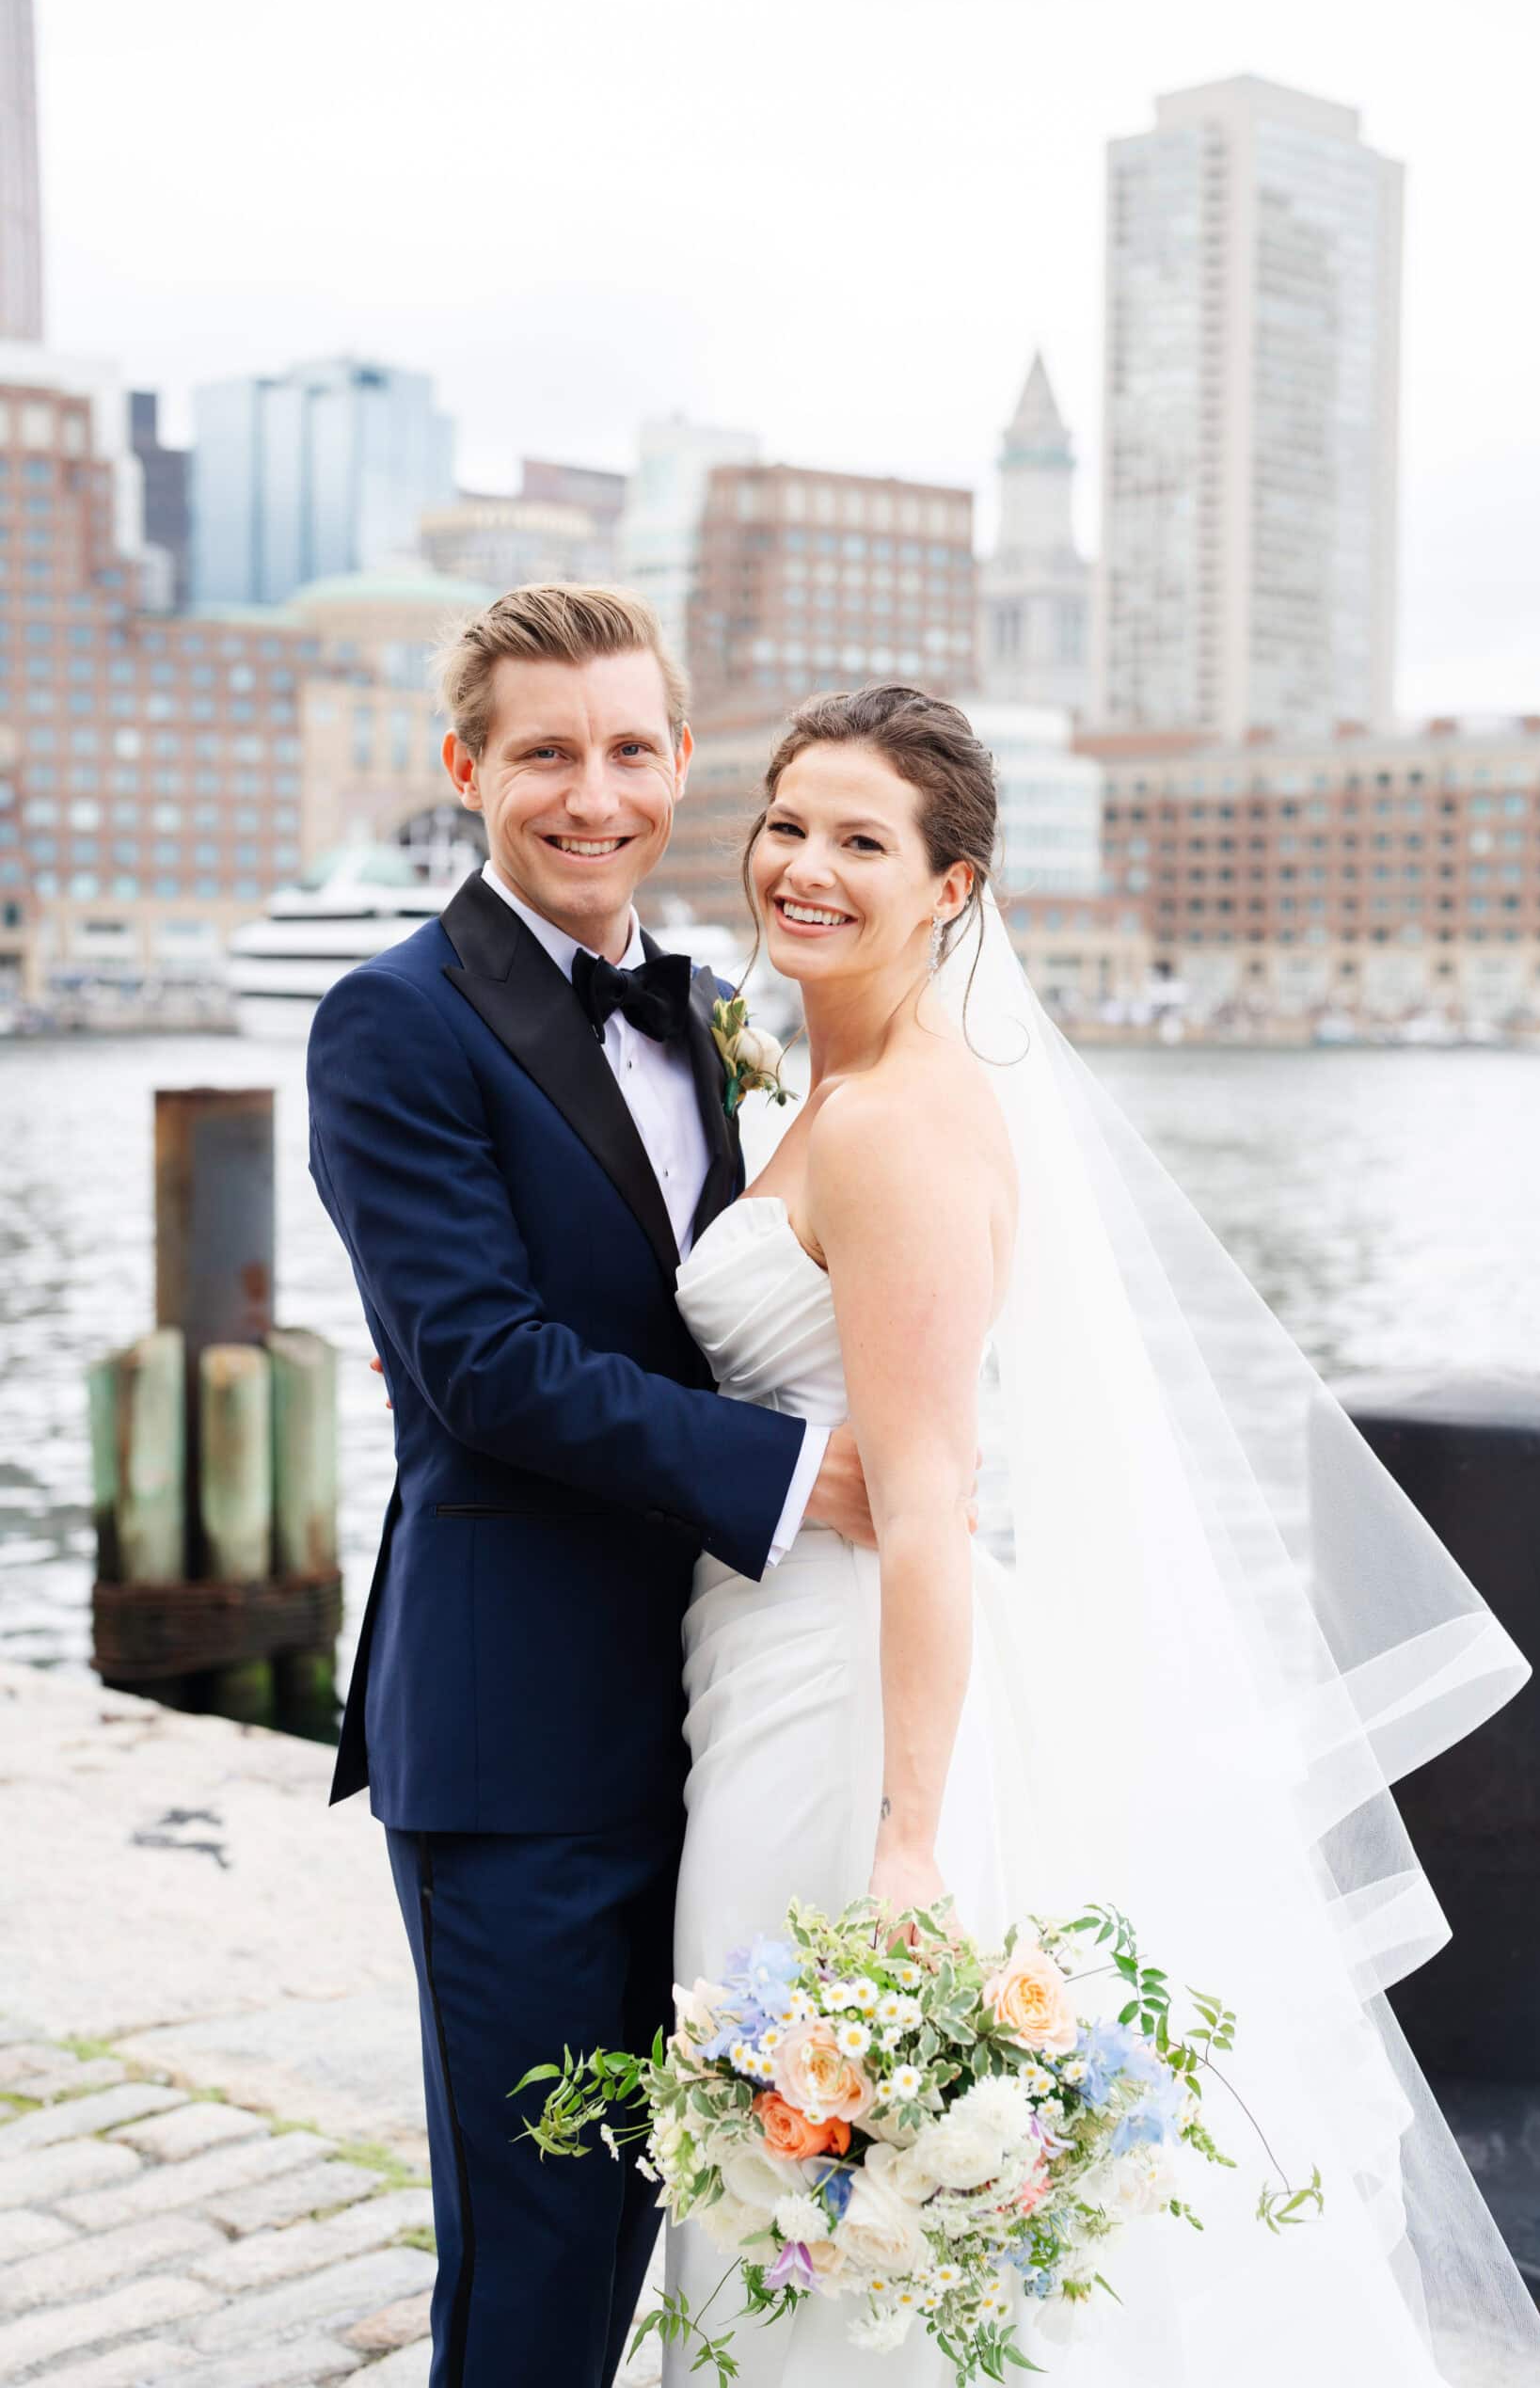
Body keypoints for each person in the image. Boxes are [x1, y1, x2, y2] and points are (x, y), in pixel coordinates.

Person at [664, 684, 1540, 2383]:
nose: (806, 865)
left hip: (842, 1699)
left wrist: (912, 1837)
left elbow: (929, 1510)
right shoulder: (818, 1080)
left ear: (954, 890)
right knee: (782, 2186)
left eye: (865, 840)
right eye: (789, 823)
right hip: (764, 1659)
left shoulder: (902, 1123)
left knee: (806, 2188)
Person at [306, 584, 883, 2388]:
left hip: (742, 1718)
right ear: (468, 765)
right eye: (544, 752)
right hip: (520, 1739)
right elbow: (477, 1366)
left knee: (759, 2214)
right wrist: (803, 1472)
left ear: (683, 763)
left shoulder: (719, 1009)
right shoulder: (392, 1025)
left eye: (631, 748)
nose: (592, 792)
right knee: (548, 2254)